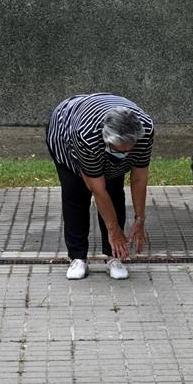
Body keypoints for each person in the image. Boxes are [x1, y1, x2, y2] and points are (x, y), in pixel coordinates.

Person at [46, 93, 151, 281]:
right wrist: (115, 230)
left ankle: (113, 256)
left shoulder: (145, 131)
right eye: (120, 150)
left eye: (129, 150)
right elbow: (97, 189)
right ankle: (78, 257)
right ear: (107, 139)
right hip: (65, 129)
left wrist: (140, 219)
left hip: (100, 122)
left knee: (115, 191)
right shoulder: (87, 135)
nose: (125, 154)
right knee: (76, 192)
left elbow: (139, 179)